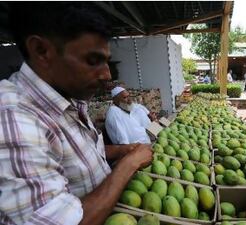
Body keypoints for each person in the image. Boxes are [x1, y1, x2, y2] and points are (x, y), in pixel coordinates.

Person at [0, 3, 153, 225]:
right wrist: (129, 164)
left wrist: (121, 150)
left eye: (106, 61)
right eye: (93, 60)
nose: (106, 74)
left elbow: (75, 156)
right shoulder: (13, 120)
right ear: (42, 51)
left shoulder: (66, 99)